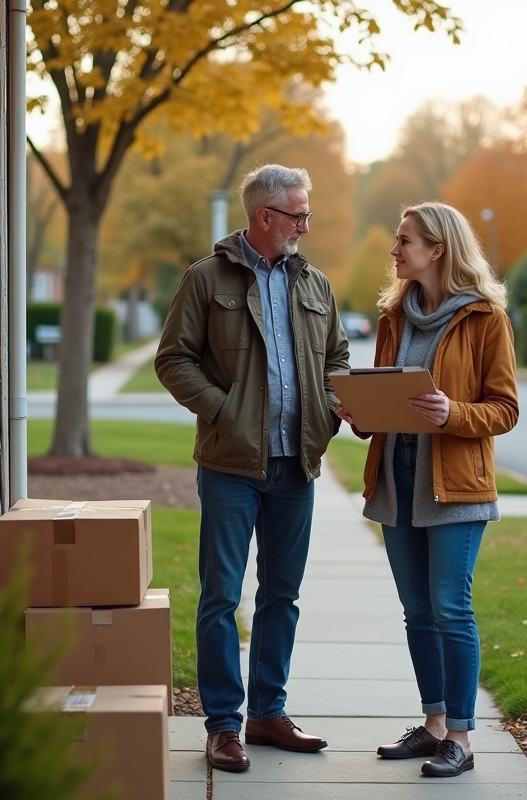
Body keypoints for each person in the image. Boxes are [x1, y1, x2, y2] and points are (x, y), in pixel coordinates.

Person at [155, 164, 352, 773]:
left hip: (298, 464)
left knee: (282, 595)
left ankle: (268, 712)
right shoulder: (205, 278)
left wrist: (335, 405)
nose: (306, 225)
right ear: (264, 216)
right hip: (231, 465)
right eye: (298, 215)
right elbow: (173, 359)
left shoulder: (314, 283)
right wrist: (222, 411)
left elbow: (337, 357)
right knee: (221, 596)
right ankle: (222, 726)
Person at [336, 201, 519, 778]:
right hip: (397, 481)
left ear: (437, 249)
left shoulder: (485, 319)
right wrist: (362, 412)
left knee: (450, 609)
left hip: (456, 489)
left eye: (404, 240)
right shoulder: (395, 317)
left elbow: (505, 409)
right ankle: (434, 726)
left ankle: (461, 738)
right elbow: (386, 397)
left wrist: (452, 413)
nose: (394, 250)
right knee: (417, 613)